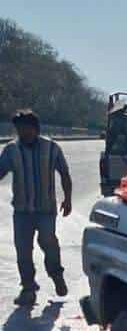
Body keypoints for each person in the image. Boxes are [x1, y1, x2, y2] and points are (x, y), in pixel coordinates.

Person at [0, 110, 72, 306]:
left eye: (28, 129)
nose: (24, 133)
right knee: (23, 250)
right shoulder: (11, 150)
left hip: (46, 209)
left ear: (36, 128)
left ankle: (56, 275)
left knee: (48, 242)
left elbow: (64, 174)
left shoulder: (51, 148)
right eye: (20, 129)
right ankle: (28, 288)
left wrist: (68, 199)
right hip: (22, 211)